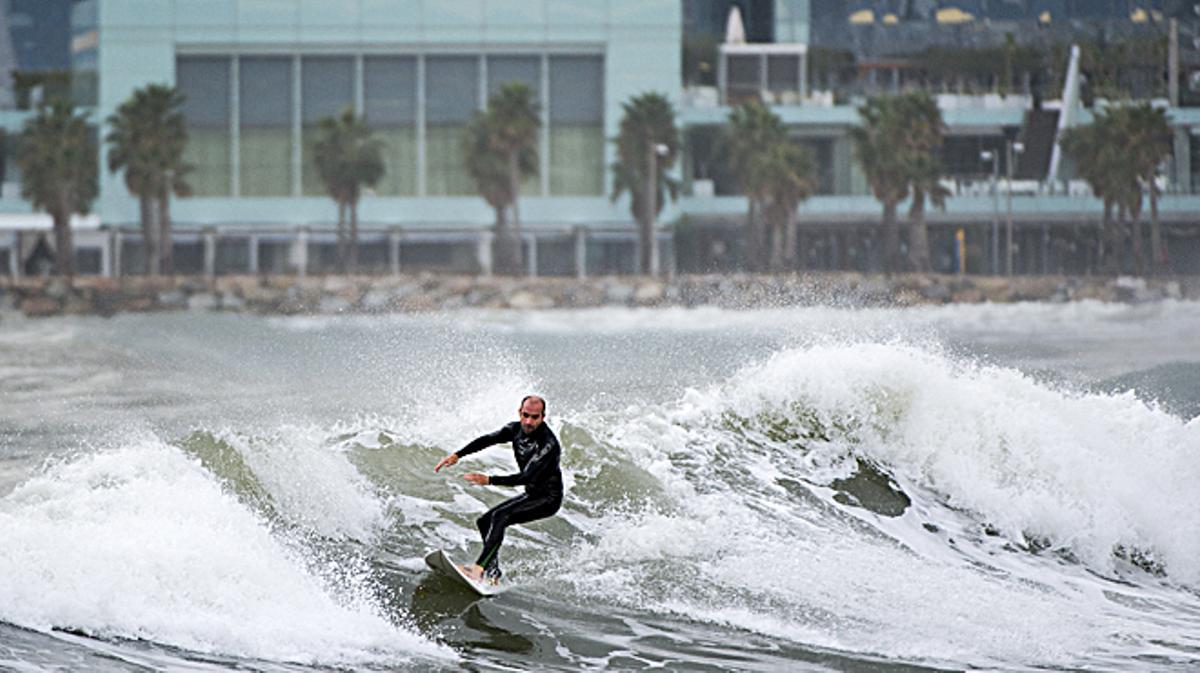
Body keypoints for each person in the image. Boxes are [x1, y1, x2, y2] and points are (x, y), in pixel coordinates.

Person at [434, 395, 563, 583]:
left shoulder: (548, 444)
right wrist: (458, 455)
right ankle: (493, 574)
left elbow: (525, 477)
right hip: (532, 494)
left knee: (500, 516)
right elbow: (488, 439)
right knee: (484, 522)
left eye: (534, 417)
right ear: (520, 412)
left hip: (549, 499)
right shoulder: (515, 429)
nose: (528, 421)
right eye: (525, 415)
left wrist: (489, 480)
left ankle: (478, 569)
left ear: (543, 417)